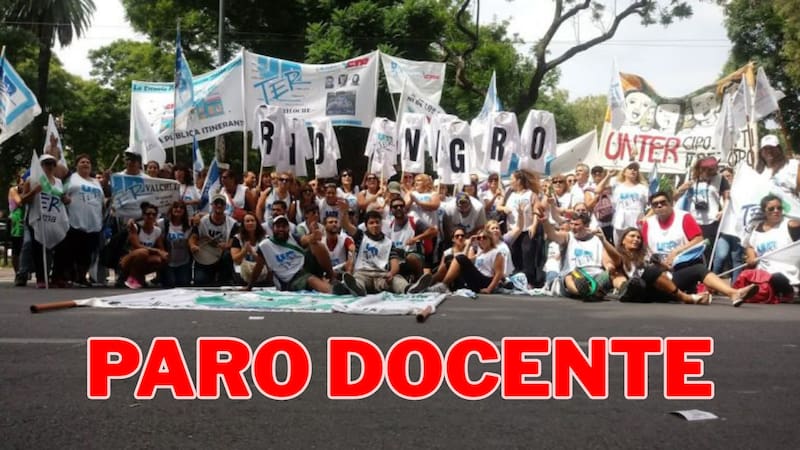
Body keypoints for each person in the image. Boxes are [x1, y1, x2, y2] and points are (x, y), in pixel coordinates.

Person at [641, 191, 757, 306]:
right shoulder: (648, 224)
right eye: (655, 204)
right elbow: (645, 249)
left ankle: (734, 293)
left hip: (679, 268)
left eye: (663, 202)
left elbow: (698, 239)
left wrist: (676, 252)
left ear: (671, 203)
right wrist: (658, 263)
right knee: (651, 273)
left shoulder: (683, 217)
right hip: (658, 273)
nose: (659, 206)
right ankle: (688, 296)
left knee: (699, 269)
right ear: (652, 208)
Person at [606, 227, 711, 304]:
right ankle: (685, 297)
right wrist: (603, 240)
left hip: (660, 286)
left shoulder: (644, 255)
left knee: (697, 269)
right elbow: (611, 259)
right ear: (623, 240)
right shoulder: (619, 256)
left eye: (639, 237)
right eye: (632, 236)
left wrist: (659, 263)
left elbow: (667, 269)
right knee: (648, 272)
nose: (636, 239)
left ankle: (715, 292)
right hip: (640, 289)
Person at [339, 209, 432, 296]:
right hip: (363, 273)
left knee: (397, 279)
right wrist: (344, 211)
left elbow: (395, 263)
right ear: (366, 226)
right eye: (371, 223)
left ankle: (409, 289)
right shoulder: (360, 236)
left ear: (381, 224)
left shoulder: (389, 243)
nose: (375, 225)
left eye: (377, 222)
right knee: (358, 280)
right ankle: (357, 289)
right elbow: (346, 225)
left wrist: (392, 273)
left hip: (382, 276)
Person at [245, 215, 342, 293]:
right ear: (273, 229)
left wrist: (313, 236)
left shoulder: (294, 237)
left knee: (317, 245)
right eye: (278, 227)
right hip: (290, 279)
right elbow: (258, 267)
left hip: (304, 267)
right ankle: (333, 291)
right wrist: (249, 286)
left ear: (288, 228)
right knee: (311, 280)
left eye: (284, 227)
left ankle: (331, 276)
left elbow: (306, 239)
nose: (281, 229)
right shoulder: (265, 246)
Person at [18, 154, 70, 288]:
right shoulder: (32, 179)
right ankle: (41, 278)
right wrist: (33, 192)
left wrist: (66, 200)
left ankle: (57, 277)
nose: (50, 166)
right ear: (40, 166)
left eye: (52, 164)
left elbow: (61, 198)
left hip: (55, 219)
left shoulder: (58, 182)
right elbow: (22, 200)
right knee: (38, 248)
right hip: (38, 218)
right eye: (47, 163)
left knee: (62, 246)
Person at [541, 208, 612, 300]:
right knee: (568, 277)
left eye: (577, 225)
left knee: (608, 274)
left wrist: (609, 269)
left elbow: (607, 261)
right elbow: (552, 234)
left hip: (595, 274)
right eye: (571, 224)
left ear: (586, 225)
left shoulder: (597, 239)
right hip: (574, 274)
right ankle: (583, 293)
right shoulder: (567, 237)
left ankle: (596, 291)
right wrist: (545, 221)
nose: (573, 227)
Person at [740, 194, 800, 302]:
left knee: (776, 278)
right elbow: (750, 246)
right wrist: (751, 256)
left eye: (779, 208)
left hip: (787, 277)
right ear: (764, 211)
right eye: (771, 209)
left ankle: (790, 292)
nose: (776, 211)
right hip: (763, 276)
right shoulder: (756, 228)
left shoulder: (790, 225)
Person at [60, 154, 104, 286]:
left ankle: (82, 277)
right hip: (75, 221)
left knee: (88, 252)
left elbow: (102, 200)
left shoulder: (96, 182)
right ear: (76, 165)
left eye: (88, 162)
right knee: (73, 250)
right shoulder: (71, 179)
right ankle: (69, 276)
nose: (85, 164)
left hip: (94, 222)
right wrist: (64, 199)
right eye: (82, 162)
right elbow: (61, 193)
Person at [675, 156, 729, 262]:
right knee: (693, 250)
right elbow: (674, 197)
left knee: (708, 251)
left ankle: (707, 270)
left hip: (711, 221)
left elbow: (727, 198)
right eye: (709, 170)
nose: (713, 172)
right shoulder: (690, 179)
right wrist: (681, 189)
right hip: (693, 221)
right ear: (701, 169)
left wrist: (723, 210)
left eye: (714, 169)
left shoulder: (720, 179)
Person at [428, 228, 505, 294]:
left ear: (490, 239)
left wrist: (489, 289)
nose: (481, 239)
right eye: (479, 238)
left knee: (460, 258)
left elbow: (499, 273)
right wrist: (469, 244)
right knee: (449, 262)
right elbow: (463, 261)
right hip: (476, 279)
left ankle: (443, 285)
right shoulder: (480, 253)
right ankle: (430, 283)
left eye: (484, 237)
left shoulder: (496, 253)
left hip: (486, 281)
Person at [189, 194, 238, 286]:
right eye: (216, 203)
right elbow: (193, 237)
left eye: (221, 203)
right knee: (200, 282)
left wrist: (226, 245)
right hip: (204, 256)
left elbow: (233, 243)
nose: (219, 205)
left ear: (225, 206)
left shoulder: (233, 224)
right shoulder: (202, 221)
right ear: (212, 205)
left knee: (227, 255)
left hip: (221, 257)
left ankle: (224, 279)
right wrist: (193, 245)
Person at [594, 162, 649, 244]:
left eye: (635, 169)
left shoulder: (643, 188)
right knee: (619, 247)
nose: (633, 170)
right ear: (624, 172)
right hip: (620, 223)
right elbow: (597, 190)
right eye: (630, 168)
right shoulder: (617, 186)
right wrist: (608, 176)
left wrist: (646, 217)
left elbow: (652, 206)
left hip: (637, 223)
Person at [385, 197, 437, 281]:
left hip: (415, 255)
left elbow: (433, 231)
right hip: (398, 258)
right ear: (391, 210)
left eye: (401, 206)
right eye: (395, 207)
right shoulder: (390, 226)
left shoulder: (414, 220)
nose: (399, 208)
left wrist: (416, 238)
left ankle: (419, 279)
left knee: (411, 258)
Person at [119, 202, 168, 289]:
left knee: (160, 259)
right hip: (128, 258)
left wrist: (163, 254)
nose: (151, 216)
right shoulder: (135, 227)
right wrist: (155, 250)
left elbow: (161, 249)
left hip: (145, 259)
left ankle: (140, 277)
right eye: (148, 214)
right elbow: (136, 246)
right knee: (142, 252)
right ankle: (129, 277)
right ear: (143, 215)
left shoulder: (157, 231)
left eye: (154, 214)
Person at [160, 201, 193, 288]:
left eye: (181, 207)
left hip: (184, 262)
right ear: (171, 209)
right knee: (170, 284)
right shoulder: (163, 223)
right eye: (175, 207)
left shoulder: (190, 224)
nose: (178, 209)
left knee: (184, 284)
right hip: (168, 262)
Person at [231, 212, 269, 286]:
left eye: (252, 220)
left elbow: (268, 260)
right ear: (243, 224)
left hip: (262, 270)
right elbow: (236, 260)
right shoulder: (237, 238)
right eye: (247, 221)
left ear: (257, 223)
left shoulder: (265, 238)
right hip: (242, 270)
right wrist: (244, 251)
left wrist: (252, 253)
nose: (250, 223)